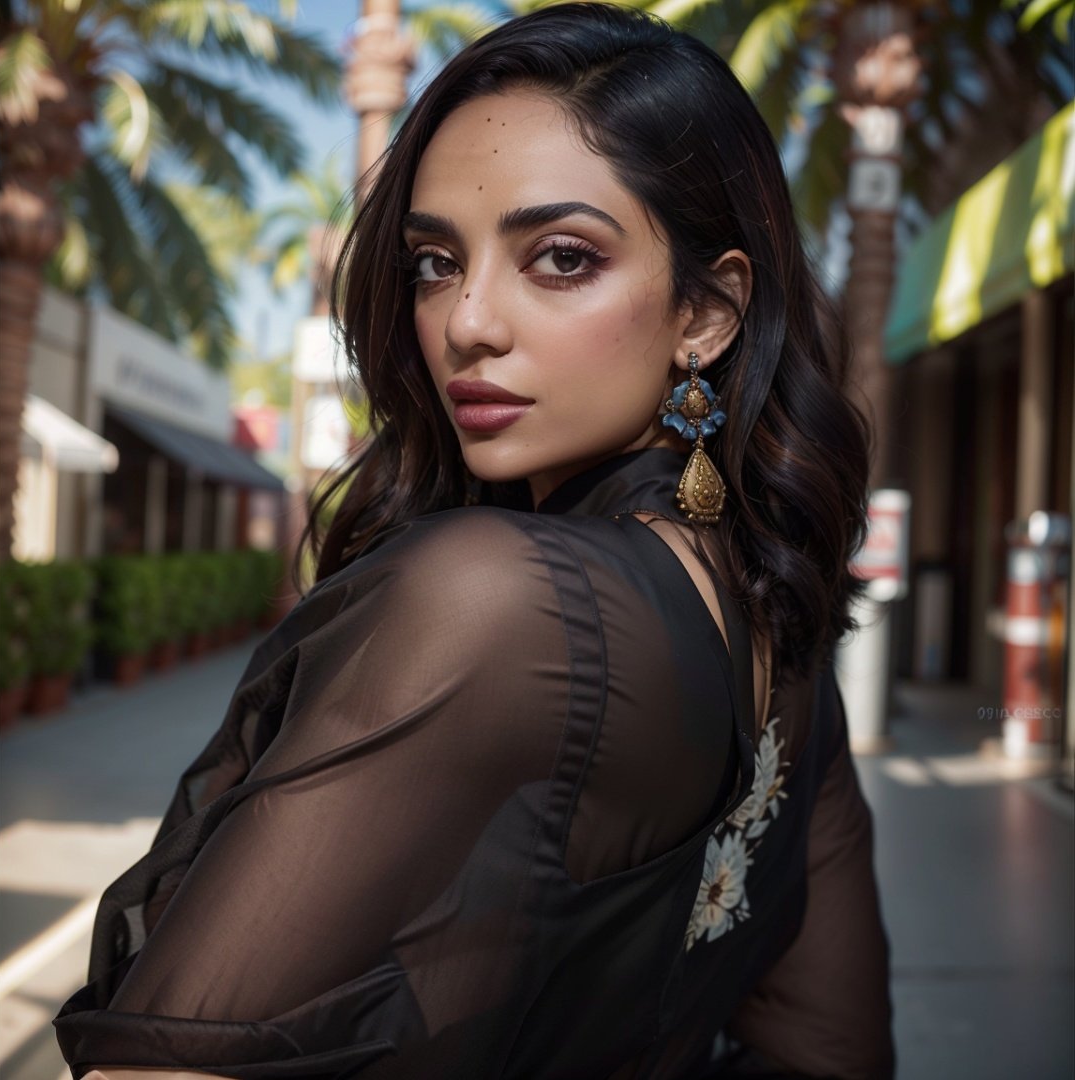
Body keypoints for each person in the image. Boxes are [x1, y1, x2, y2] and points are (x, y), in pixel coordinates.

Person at [55, 5, 894, 1077]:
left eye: (559, 257)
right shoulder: (782, 640)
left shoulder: (490, 605)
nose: (466, 322)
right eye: (433, 263)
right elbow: (832, 1050)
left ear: (708, 313)